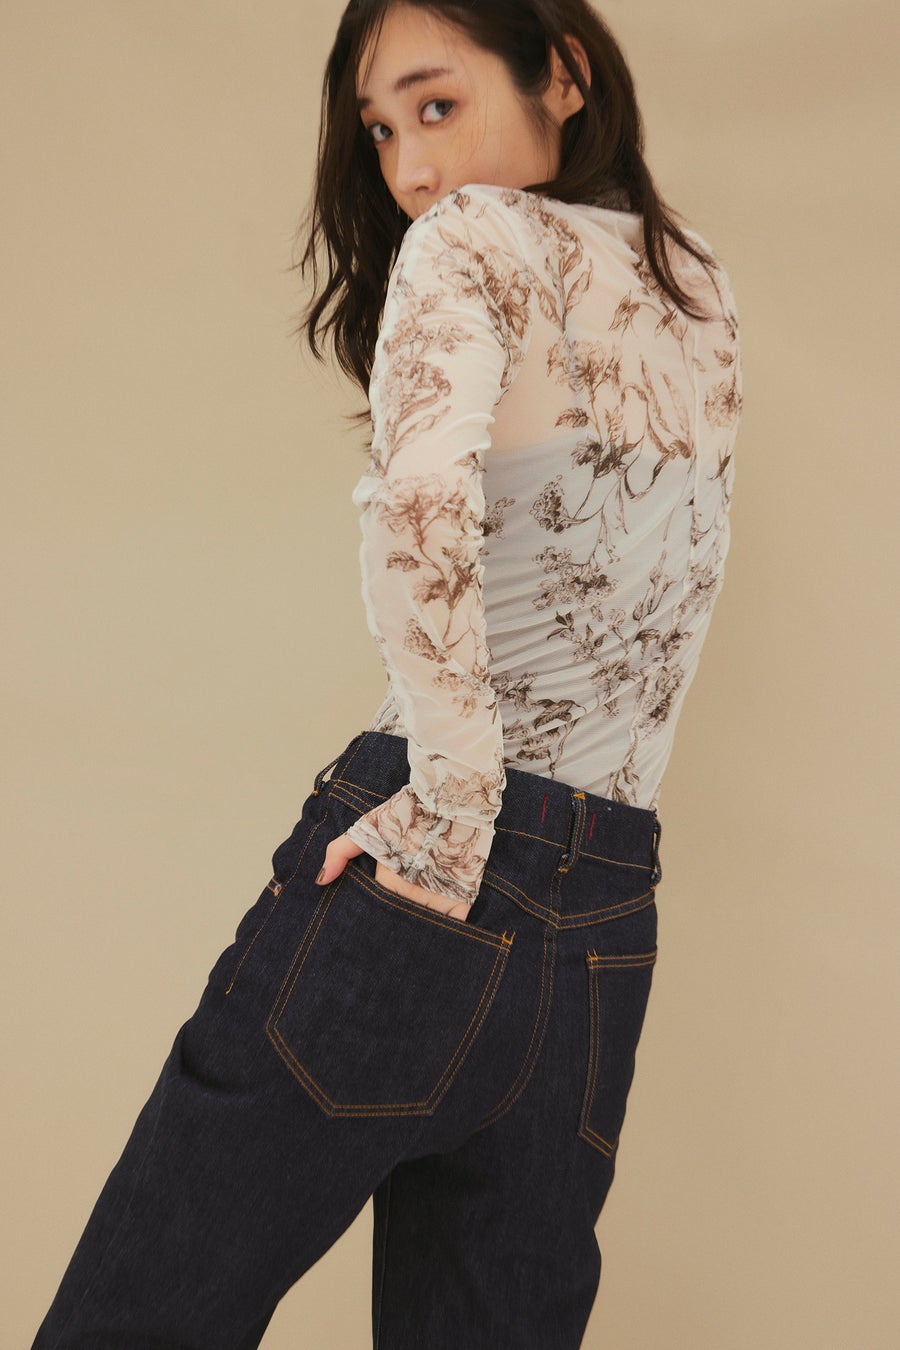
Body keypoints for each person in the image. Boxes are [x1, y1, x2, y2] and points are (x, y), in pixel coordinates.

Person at [32, 1, 742, 1346]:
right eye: (379, 131)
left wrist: (456, 801)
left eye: (437, 105)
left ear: (564, 75)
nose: (411, 170)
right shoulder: (695, 280)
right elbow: (670, 592)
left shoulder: (469, 237)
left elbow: (416, 507)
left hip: (435, 870)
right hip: (603, 914)